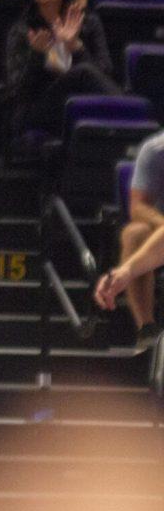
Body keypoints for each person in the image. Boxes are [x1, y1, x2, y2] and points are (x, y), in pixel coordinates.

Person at [4, 0, 121, 140]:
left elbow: (105, 74)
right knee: (82, 72)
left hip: (84, 100)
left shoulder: (88, 23)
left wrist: (76, 46)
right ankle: (130, 114)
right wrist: (37, 55)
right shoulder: (23, 30)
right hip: (38, 108)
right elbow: (18, 90)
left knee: (85, 73)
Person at [95, 130, 164, 351]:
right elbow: (138, 207)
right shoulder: (156, 150)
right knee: (135, 233)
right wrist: (125, 271)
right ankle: (147, 331)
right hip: (159, 230)